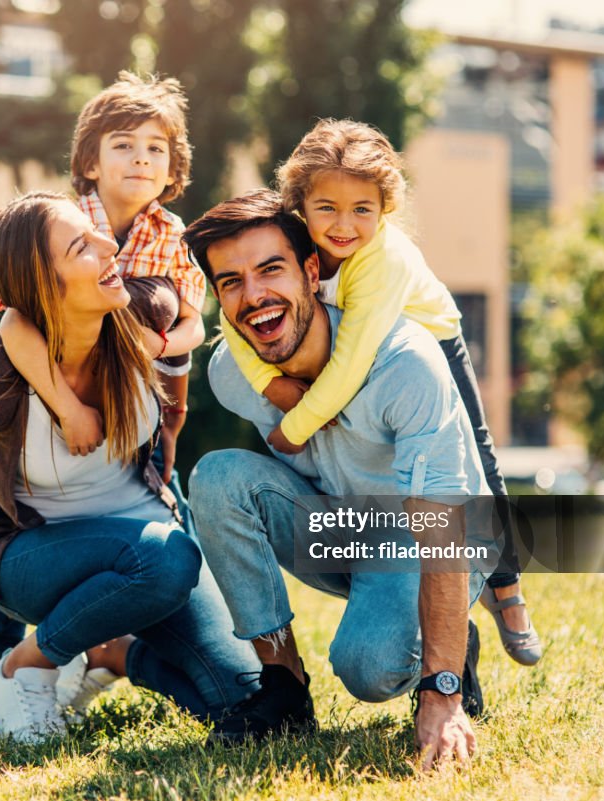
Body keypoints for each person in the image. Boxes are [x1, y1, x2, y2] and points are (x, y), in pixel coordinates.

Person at [0, 191, 258, 743]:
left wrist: (171, 414)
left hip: (146, 537)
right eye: (82, 246)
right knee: (169, 559)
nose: (109, 246)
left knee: (249, 707)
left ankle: (114, 655)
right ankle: (21, 666)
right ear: (42, 290)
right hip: (34, 557)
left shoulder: (139, 311)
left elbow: (188, 317)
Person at [183, 189, 491, 769]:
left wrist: (442, 691)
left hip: (435, 538)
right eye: (230, 282)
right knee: (219, 478)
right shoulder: (231, 374)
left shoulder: (404, 363)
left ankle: (450, 646)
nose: (254, 297)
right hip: (346, 526)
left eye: (270, 269)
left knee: (370, 671)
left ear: (310, 270)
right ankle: (282, 688)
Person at [219, 119, 541, 666]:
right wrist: (270, 383)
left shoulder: (381, 260)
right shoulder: (287, 240)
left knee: (478, 465)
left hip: (426, 343)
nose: (343, 226)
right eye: (326, 209)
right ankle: (421, 608)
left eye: (361, 210)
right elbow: (232, 319)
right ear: (299, 204)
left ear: (384, 209)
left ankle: (506, 590)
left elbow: (347, 368)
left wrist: (295, 426)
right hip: (356, 349)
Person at [0, 71, 209, 709]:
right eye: (123, 145)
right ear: (89, 161)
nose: (140, 159)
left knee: (166, 505)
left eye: (156, 149)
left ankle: (112, 648)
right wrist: (65, 403)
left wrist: (162, 349)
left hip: (144, 403)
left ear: (173, 168)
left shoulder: (172, 234)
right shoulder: (64, 221)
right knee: (20, 510)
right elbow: (14, 319)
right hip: (53, 405)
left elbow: (193, 318)